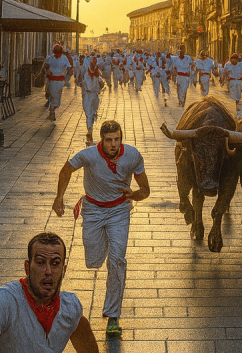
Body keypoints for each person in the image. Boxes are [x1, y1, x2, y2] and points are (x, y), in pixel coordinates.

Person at [52, 121, 150, 339]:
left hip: (119, 211)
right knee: (94, 260)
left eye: (117, 139)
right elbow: (65, 171)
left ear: (121, 139)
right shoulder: (88, 155)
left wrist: (133, 194)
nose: (113, 144)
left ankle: (113, 315)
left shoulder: (133, 155)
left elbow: (146, 190)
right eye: (109, 140)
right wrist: (59, 198)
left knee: (117, 260)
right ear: (101, 140)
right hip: (94, 210)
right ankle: (105, 242)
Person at [0, 232, 97, 352]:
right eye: (40, 262)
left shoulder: (70, 307)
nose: (48, 271)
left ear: (63, 270)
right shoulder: (2, 300)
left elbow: (85, 339)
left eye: (55, 263)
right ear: (27, 267)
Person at [39, 44, 72, 122]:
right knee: (52, 95)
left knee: (56, 97)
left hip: (59, 81)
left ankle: (52, 111)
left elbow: (69, 67)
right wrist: (46, 71)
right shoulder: (50, 58)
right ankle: (52, 112)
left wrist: (67, 75)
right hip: (51, 81)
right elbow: (45, 66)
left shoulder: (64, 58)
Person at [81, 56, 105, 145]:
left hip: (94, 96)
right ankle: (89, 131)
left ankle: (90, 130)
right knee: (88, 114)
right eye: (92, 64)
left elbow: (101, 83)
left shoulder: (97, 73)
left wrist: (100, 85)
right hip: (87, 96)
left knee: (92, 113)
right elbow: (80, 81)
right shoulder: (84, 71)